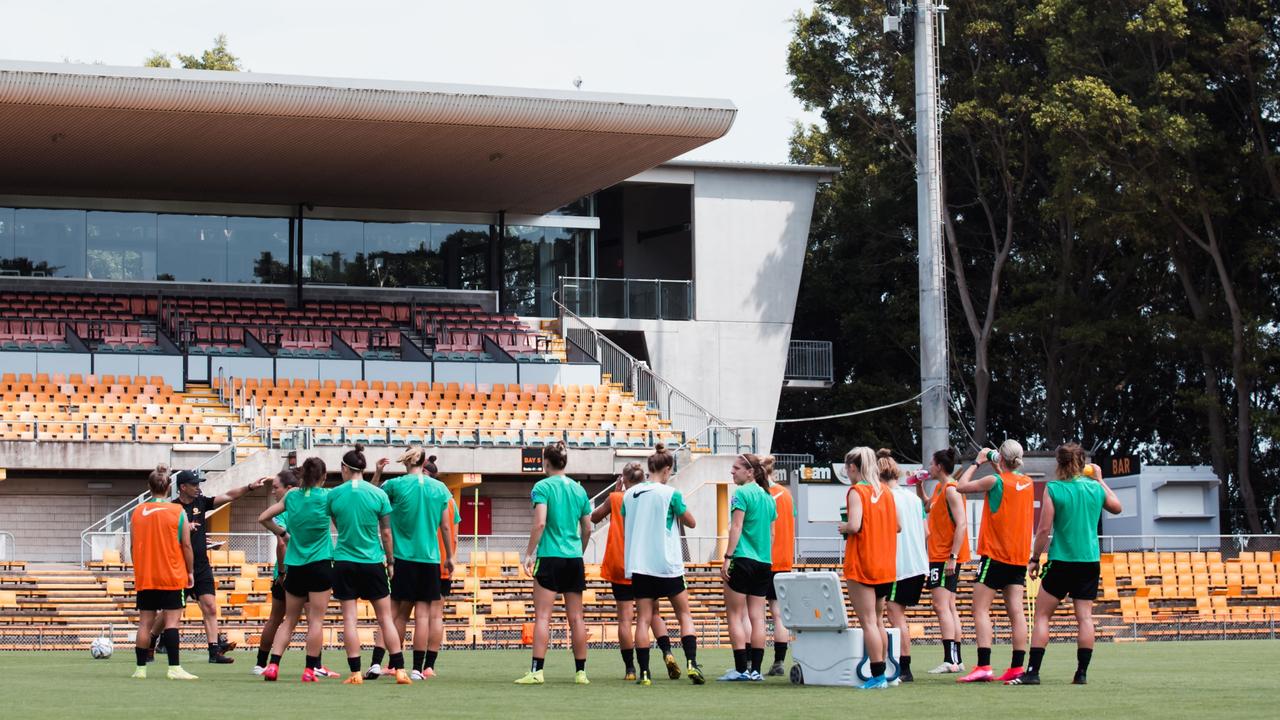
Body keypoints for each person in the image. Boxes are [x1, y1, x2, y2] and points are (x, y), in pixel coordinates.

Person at [1009, 443, 1122, 686]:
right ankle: (1081, 673)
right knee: (1084, 618)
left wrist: (1034, 558)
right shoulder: (1094, 488)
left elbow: (1044, 529)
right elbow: (1117, 507)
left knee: (1042, 616)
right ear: (1083, 464)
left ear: (1059, 464)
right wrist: (1101, 480)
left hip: (1061, 560)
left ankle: (1033, 672)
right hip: (1089, 561)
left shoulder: (1054, 488)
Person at [621, 445, 704, 686]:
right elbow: (691, 522)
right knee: (684, 614)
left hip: (640, 564)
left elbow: (629, 522)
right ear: (667, 470)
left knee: (644, 619)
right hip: (667, 564)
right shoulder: (670, 493)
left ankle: (645, 673)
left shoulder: (629, 495)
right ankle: (691, 663)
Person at [163, 469, 265, 663]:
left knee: (209, 607)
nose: (198, 487)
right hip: (179, 565)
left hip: (201, 566)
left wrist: (250, 487)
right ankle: (152, 639)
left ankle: (214, 652)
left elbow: (228, 496)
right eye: (194, 484)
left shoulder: (201, 503)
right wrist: (185, 527)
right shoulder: (172, 508)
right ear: (182, 487)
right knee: (173, 609)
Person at [589, 463, 679, 681]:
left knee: (625, 620)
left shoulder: (617, 498)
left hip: (620, 562)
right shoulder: (650, 495)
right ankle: (667, 652)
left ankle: (630, 669)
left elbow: (593, 517)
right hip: (644, 562)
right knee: (653, 613)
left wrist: (616, 492)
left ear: (623, 478)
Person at [325, 445, 407, 685]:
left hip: (344, 562)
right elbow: (387, 533)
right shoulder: (378, 494)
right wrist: (390, 561)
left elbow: (337, 524)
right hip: (372, 562)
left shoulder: (334, 494)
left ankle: (355, 673)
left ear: (344, 468)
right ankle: (400, 670)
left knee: (349, 619)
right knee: (385, 619)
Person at [954, 440, 1034, 684]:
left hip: (995, 555)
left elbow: (960, 486)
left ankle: (984, 665)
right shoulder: (1028, 482)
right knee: (1016, 612)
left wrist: (978, 462)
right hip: (1018, 557)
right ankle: (1017, 667)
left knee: (979, 609)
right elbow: (1009, 482)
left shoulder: (994, 481)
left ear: (1001, 458)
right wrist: (997, 463)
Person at [515, 442, 592, 686]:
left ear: (545, 462)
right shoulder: (579, 490)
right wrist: (578, 551)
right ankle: (581, 673)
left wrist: (528, 553)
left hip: (549, 557)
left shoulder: (542, 486)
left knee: (543, 617)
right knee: (577, 618)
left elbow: (540, 523)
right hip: (573, 559)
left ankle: (537, 671)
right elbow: (588, 528)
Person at [258, 457, 338, 682]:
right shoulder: (327, 496)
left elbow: (263, 517)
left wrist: (282, 533)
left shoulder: (291, 496)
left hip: (295, 565)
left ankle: (273, 666)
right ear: (323, 477)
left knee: (289, 620)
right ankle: (309, 670)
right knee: (316, 621)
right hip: (321, 563)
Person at [381, 447, 454, 681]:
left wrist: (375, 473)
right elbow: (445, 527)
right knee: (423, 616)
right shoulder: (440, 488)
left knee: (400, 615)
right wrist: (450, 557)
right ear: (423, 462)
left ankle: (396, 665)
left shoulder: (395, 485)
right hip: (430, 559)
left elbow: (373, 495)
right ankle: (417, 669)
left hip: (403, 558)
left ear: (406, 461)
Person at [838, 447, 898, 690]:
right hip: (885, 564)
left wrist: (843, 527)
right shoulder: (886, 491)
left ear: (853, 467)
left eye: (847, 468)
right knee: (879, 620)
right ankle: (884, 671)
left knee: (869, 622)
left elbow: (854, 525)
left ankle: (878, 675)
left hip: (863, 563)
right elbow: (898, 526)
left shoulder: (857, 491)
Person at [129, 467, 197, 680]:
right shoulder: (177, 512)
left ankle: (140, 669)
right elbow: (186, 545)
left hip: (146, 575)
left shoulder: (138, 511)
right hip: (172, 574)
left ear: (149, 487)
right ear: (169, 488)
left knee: (144, 623)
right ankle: (174, 668)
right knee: (171, 622)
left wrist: (140, 569)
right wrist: (190, 571)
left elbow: (132, 547)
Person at [718, 453, 776, 682]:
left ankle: (741, 669)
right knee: (758, 617)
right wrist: (763, 554)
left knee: (735, 614)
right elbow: (771, 534)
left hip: (742, 559)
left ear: (749, 472)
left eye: (736, 468)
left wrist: (727, 556)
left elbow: (736, 526)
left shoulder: (741, 493)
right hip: (764, 562)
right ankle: (756, 670)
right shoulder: (769, 498)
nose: (732, 472)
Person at [919, 447, 970, 674]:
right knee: (949, 606)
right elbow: (928, 506)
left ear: (939, 466)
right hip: (940, 555)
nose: (929, 467)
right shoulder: (941, 488)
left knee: (941, 606)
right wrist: (919, 487)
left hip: (944, 556)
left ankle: (950, 659)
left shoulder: (951, 489)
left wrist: (953, 556)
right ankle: (956, 660)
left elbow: (962, 523)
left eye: (931, 463)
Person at [885, 452, 928, 683]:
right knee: (897, 614)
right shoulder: (914, 499)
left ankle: (904, 666)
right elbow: (927, 532)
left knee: (895, 615)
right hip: (918, 564)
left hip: (898, 564)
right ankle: (901, 664)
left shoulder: (885, 496)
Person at [253, 469, 299, 675]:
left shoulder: (281, 511)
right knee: (314, 620)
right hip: (300, 571)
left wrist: (280, 573)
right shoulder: (301, 507)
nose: (273, 491)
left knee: (276, 618)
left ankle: (261, 663)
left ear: (289, 488)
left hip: (284, 573)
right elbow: (281, 544)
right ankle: (314, 665)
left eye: (275, 487)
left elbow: (281, 542)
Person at [762, 455, 796, 677]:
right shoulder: (787, 495)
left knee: (752, 613)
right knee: (779, 614)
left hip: (763, 559)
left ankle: (748, 663)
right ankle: (779, 661)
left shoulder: (761, 495)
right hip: (784, 560)